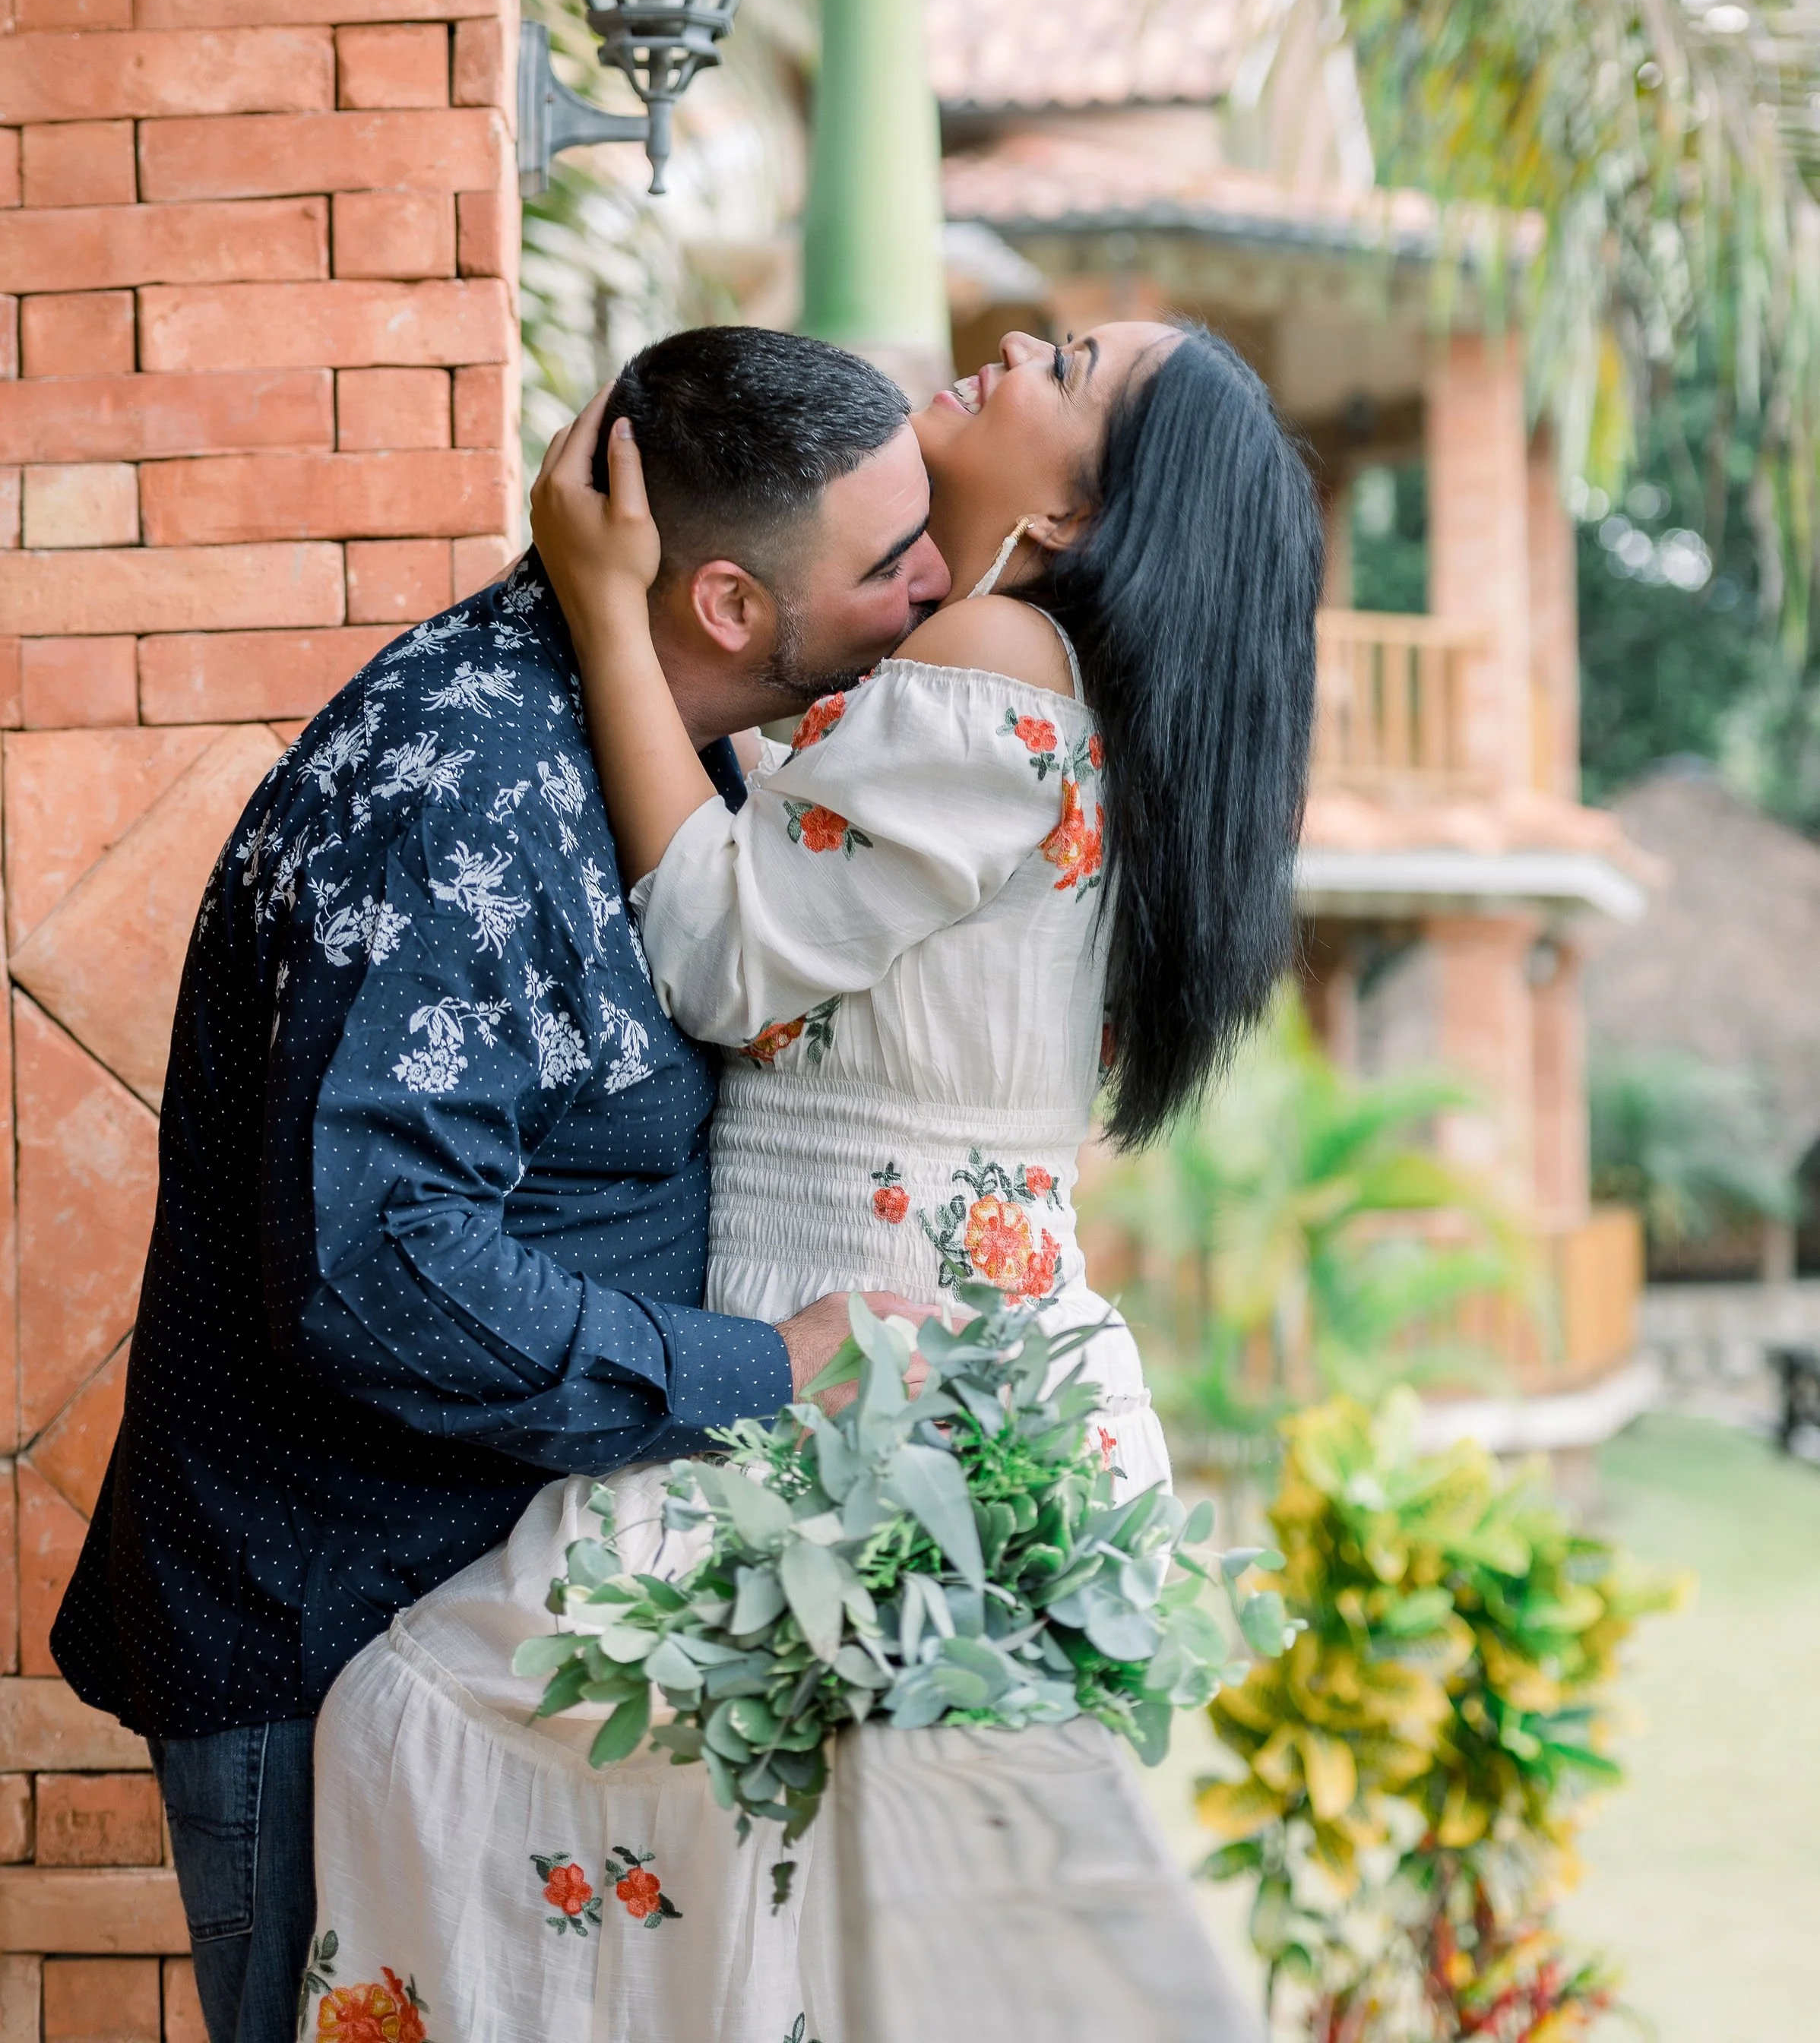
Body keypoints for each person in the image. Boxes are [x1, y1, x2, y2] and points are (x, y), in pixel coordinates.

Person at [304, 319, 1322, 2043]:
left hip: (856, 1372)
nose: (1011, 347)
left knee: (415, 1717)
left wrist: (607, 610)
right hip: (951, 1364)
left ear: (1071, 518)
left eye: (1063, 366)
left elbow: (717, 942)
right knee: (780, 1895)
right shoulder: (1049, 695)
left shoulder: (1003, 653)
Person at [50, 329, 954, 2043]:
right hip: (324, 1643)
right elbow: (377, 1265)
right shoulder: (466, 788)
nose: (931, 590)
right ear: (729, 612)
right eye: (893, 563)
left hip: (468, 1635)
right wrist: (766, 1373)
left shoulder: (640, 728)